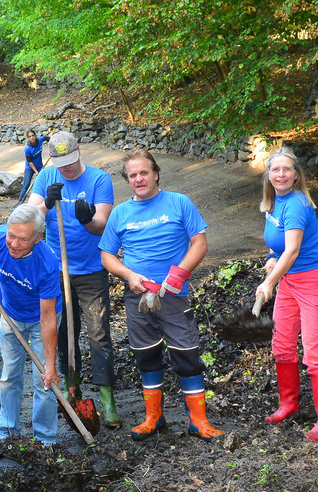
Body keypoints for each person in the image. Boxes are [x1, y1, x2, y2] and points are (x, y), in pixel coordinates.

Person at [100, 150, 223, 441]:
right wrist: (129, 276)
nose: (139, 179)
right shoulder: (120, 213)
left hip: (174, 296)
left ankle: (198, 420)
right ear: (127, 180)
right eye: (133, 175)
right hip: (138, 297)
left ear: (156, 173)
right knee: (146, 356)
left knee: (187, 355)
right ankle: (154, 418)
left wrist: (178, 274)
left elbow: (199, 243)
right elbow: (106, 255)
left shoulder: (179, 203)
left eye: (144, 173)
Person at [27, 131, 120, 428]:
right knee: (65, 333)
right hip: (58, 270)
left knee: (99, 333)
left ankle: (107, 401)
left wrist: (87, 219)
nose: (66, 167)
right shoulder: (45, 178)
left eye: (70, 160)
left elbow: (103, 225)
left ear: (80, 150)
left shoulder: (99, 179)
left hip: (92, 269)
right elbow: (28, 217)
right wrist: (45, 205)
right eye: (59, 162)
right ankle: (72, 389)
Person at [256, 146, 318, 442]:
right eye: (275, 169)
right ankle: (289, 403)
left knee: (314, 352)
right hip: (290, 280)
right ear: (268, 175)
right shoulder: (273, 202)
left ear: (295, 175)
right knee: (282, 342)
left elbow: (291, 251)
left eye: (286, 169)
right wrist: (270, 256)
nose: (281, 174)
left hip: (316, 279)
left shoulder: (296, 204)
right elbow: (278, 244)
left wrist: (269, 283)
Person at [0, 203, 62, 450]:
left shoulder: (47, 265)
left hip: (40, 321)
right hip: (10, 315)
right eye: (11, 236)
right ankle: (7, 433)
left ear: (38, 238)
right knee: (9, 376)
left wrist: (50, 365)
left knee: (44, 381)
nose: (14, 244)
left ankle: (45, 438)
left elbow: (48, 319)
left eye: (22, 240)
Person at [18, 129, 46, 203]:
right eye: (30, 136)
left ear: (35, 135)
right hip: (30, 168)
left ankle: (44, 200)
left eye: (33, 135)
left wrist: (53, 147)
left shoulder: (40, 140)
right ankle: (20, 201)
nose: (32, 137)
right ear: (28, 138)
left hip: (40, 166)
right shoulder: (27, 148)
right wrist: (36, 171)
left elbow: (48, 138)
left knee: (43, 182)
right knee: (26, 184)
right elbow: (30, 161)